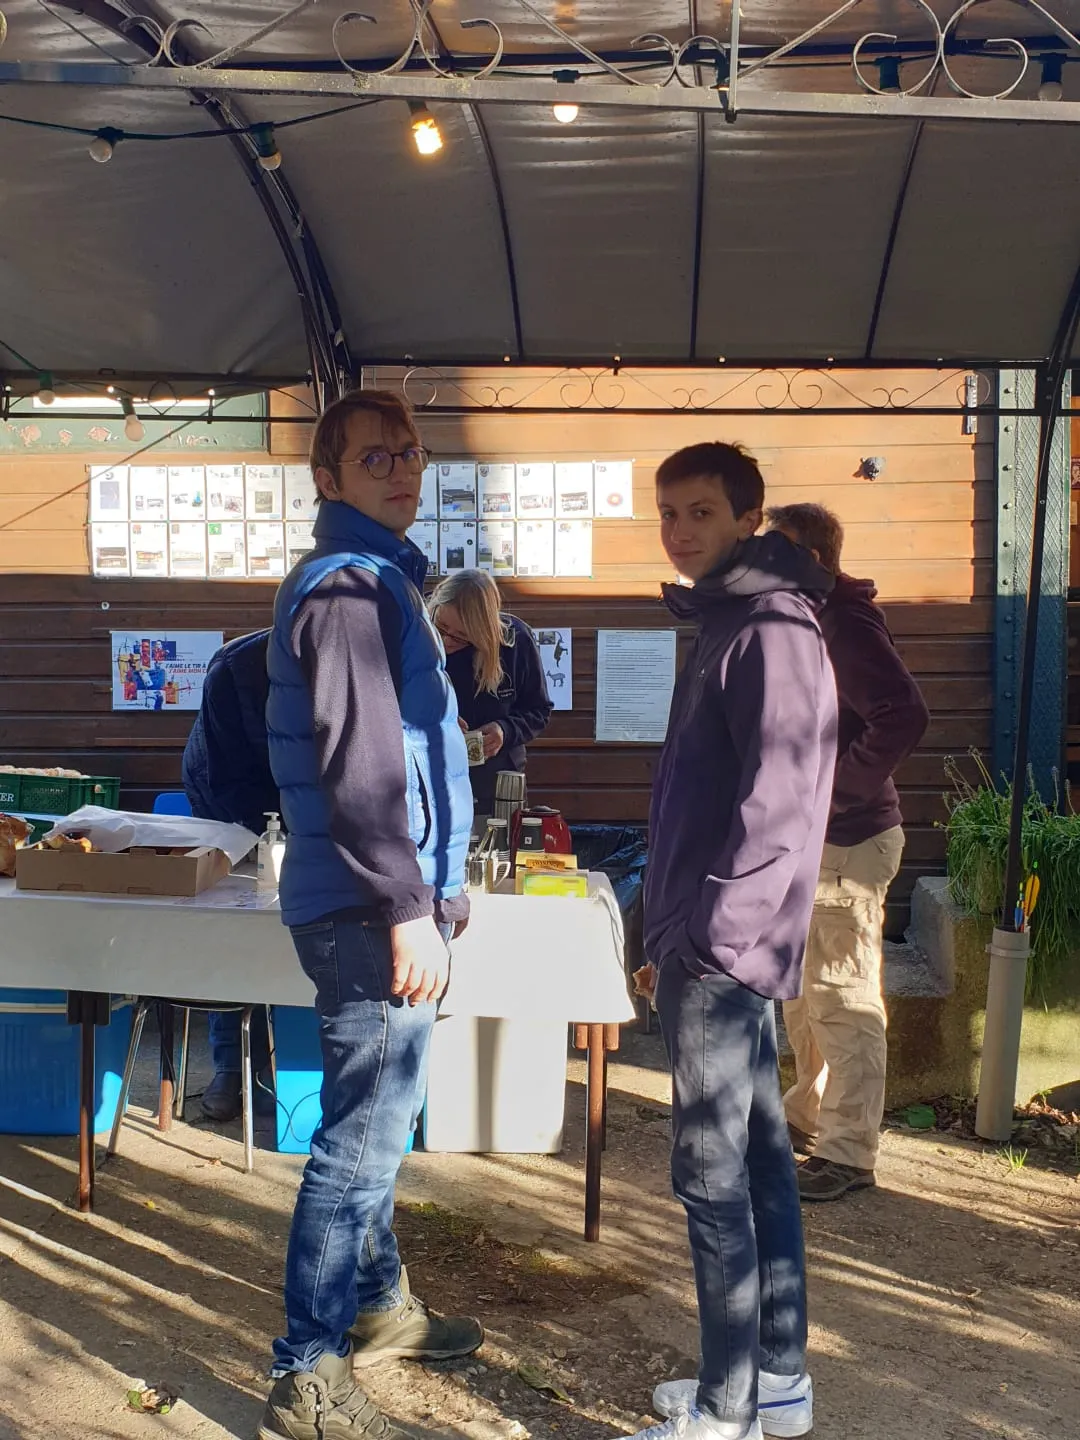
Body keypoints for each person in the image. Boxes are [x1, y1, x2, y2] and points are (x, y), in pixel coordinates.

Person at [260, 389, 480, 1440]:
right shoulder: (349, 584)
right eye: (376, 457)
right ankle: (306, 1373)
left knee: (375, 1125)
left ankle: (380, 1304)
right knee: (360, 1146)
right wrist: (406, 906)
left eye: (411, 453)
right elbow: (362, 766)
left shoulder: (374, 575)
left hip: (368, 901)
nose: (402, 471)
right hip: (366, 908)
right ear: (328, 478)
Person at [633, 443, 837, 1440]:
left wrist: (710, 936)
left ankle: (726, 1413)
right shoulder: (730, 618)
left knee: (712, 1179)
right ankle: (776, 1384)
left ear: (749, 519)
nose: (679, 531)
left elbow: (780, 804)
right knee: (758, 1162)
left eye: (701, 512)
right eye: (668, 512)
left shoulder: (770, 627)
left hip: (722, 951)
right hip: (715, 944)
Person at [766, 503, 930, 1202]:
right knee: (805, 997)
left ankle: (848, 1152)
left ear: (811, 557)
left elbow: (905, 713)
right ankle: (809, 1115)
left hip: (849, 840)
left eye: (776, 547)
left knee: (842, 995)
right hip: (815, 839)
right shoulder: (807, 616)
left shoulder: (844, 620)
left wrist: (832, 795)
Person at [182, 629, 276, 1122]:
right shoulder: (234, 669)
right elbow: (227, 777)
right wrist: (277, 836)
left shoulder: (347, 656)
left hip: (300, 801)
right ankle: (232, 1067)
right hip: (224, 802)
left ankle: (284, 1069)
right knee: (235, 930)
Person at [428, 569, 553, 817]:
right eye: (441, 627)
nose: (447, 641)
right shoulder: (416, 636)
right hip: (434, 779)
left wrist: (504, 730)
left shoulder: (516, 641)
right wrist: (435, 719)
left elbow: (538, 711)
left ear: (484, 633)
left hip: (497, 786)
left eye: (462, 636)